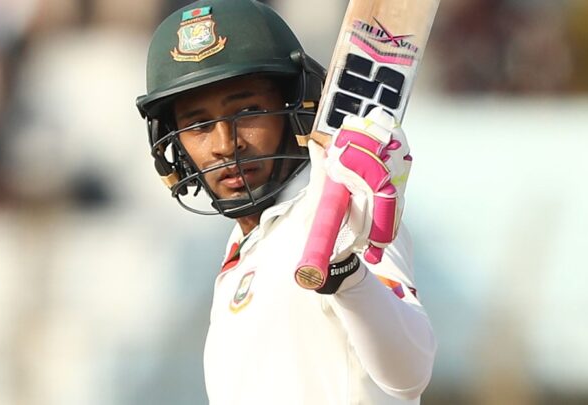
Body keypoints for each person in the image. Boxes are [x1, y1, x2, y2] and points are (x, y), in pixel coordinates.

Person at [135, 0, 436, 403]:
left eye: (248, 111)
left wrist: (345, 272)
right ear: (173, 142)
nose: (226, 144)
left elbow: (410, 372)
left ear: (296, 106)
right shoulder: (243, 249)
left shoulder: (342, 211)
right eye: (200, 125)